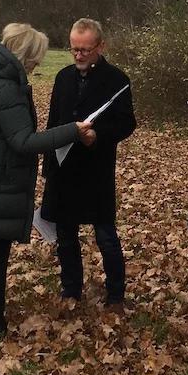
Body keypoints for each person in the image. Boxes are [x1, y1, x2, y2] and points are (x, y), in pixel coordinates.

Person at [0, 22, 94, 336]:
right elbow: (22, 141)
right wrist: (72, 132)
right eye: (36, 57)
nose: (38, 63)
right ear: (24, 55)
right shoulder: (5, 88)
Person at [41, 18, 137, 309]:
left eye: (85, 50)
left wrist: (98, 136)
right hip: (64, 170)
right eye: (74, 50)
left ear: (100, 46)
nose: (79, 55)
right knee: (66, 235)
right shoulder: (63, 77)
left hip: (96, 172)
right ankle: (71, 291)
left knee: (105, 235)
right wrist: (48, 167)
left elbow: (127, 124)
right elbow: (53, 122)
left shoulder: (117, 80)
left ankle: (116, 295)